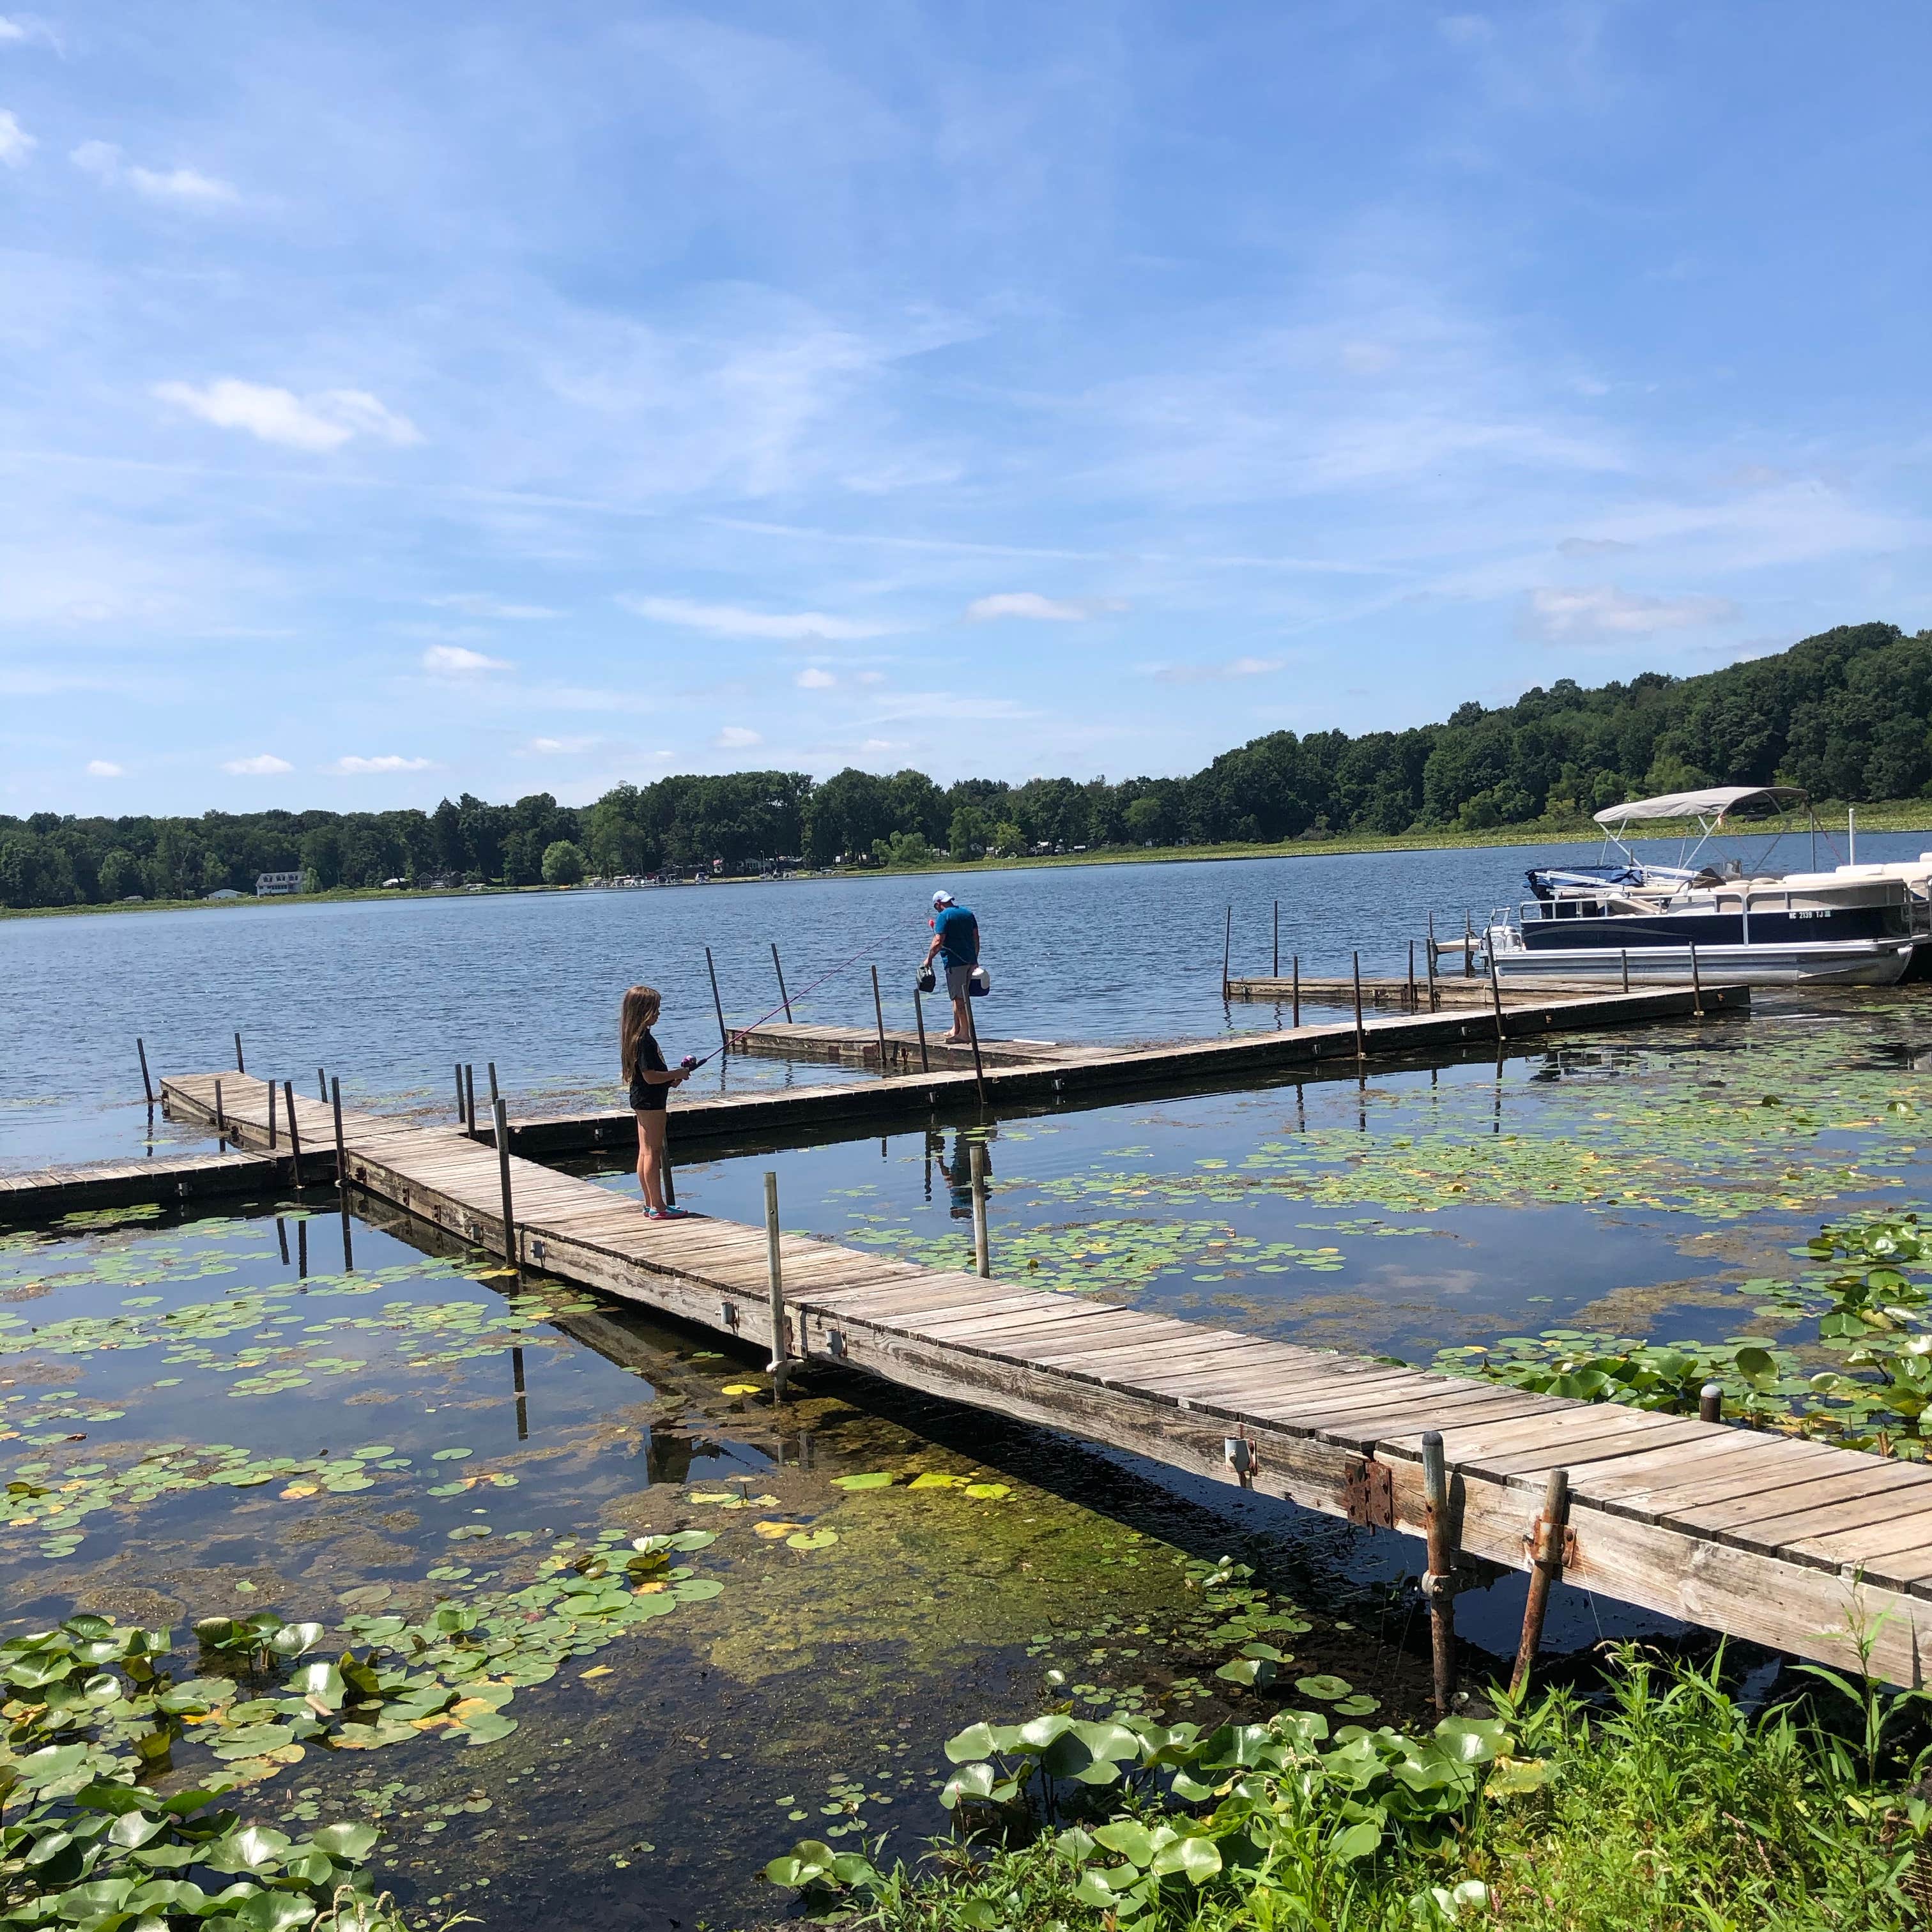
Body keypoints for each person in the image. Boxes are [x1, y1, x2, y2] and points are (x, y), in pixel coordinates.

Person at [620, 983, 694, 1218]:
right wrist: (675, 1074)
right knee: (653, 1151)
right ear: (643, 1011)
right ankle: (659, 1207)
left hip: (642, 1097)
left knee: (645, 1151)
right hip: (651, 1101)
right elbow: (651, 1077)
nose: (659, 1014)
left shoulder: (636, 1037)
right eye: (656, 1009)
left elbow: (652, 1076)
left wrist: (674, 1078)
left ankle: (650, 1203)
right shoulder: (644, 1041)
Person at [921, 888, 980, 1043]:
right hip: (971, 962)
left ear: (938, 904)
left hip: (955, 963)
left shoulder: (943, 916)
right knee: (958, 997)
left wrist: (929, 959)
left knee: (959, 999)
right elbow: (976, 938)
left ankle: (965, 1035)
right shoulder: (968, 913)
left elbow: (938, 941)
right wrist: (975, 959)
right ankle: (957, 1029)